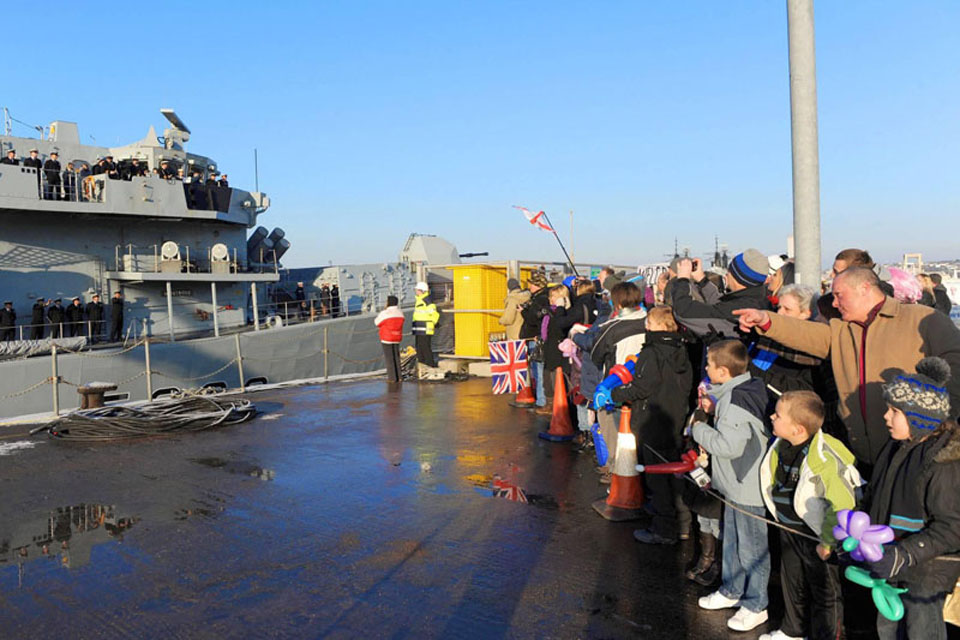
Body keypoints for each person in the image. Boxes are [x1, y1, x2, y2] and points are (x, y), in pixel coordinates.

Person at [735, 266, 960, 471]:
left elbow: (956, 368)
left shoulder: (923, 319)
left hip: (916, 453)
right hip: (860, 454)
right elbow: (806, 334)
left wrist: (939, 426)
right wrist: (766, 320)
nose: (833, 303)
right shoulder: (843, 331)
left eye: (838, 295)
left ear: (864, 289)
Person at [861, 357, 960, 640]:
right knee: (888, 628)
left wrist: (905, 554)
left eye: (894, 411)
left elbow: (952, 527)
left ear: (919, 418)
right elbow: (877, 496)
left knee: (921, 633)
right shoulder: (896, 447)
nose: (885, 417)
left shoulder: (945, 462)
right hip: (892, 563)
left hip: (927, 572)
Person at [759, 391, 861, 640]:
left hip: (816, 535)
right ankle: (793, 629)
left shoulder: (823, 458)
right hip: (789, 528)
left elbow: (842, 504)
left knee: (824, 590)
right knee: (792, 580)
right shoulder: (781, 445)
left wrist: (827, 541)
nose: (772, 416)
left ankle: (827, 635)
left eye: (778, 415)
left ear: (798, 429)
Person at [692, 339, 771, 632]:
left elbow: (729, 446)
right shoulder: (739, 391)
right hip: (737, 483)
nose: (706, 369)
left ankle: (755, 604)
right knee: (735, 542)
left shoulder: (734, 401)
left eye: (709, 365)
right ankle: (732, 590)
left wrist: (699, 428)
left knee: (751, 547)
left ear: (723, 371)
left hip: (746, 485)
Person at [611, 305, 694, 544]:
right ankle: (683, 524)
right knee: (675, 472)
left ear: (654, 325)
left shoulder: (652, 351)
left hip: (653, 419)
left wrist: (615, 394)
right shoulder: (681, 348)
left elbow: (642, 387)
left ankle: (664, 528)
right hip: (676, 416)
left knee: (657, 476)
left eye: (648, 322)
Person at [589, 282, 648, 480]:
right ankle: (634, 466)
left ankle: (616, 468)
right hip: (642, 382)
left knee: (612, 426)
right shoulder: (649, 321)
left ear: (617, 303)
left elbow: (596, 354)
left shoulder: (613, 328)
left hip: (614, 383)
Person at [672, 249, 771, 341]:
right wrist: (702, 280)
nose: (726, 275)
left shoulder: (739, 309)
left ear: (739, 278)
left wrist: (682, 280)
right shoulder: (757, 300)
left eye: (729, 271)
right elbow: (720, 307)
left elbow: (684, 312)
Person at [520, 271, 551, 407]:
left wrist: (523, 311)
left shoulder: (539, 299)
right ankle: (541, 399)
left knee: (538, 370)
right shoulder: (546, 297)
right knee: (539, 370)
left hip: (535, 337)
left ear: (537, 285)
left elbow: (532, 319)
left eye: (531, 284)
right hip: (539, 336)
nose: (529, 286)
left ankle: (541, 401)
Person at [375, 295, 404, 383]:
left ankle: (392, 378)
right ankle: (399, 377)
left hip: (387, 338)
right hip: (397, 336)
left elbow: (377, 322)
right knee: (396, 357)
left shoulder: (385, 313)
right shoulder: (400, 312)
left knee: (389, 358)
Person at [412, 281, 440, 369]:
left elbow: (434, 314)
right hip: (419, 329)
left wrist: (433, 323)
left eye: (417, 290)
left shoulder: (427, 301)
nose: (416, 291)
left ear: (422, 291)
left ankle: (430, 366)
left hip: (425, 328)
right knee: (419, 348)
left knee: (425, 348)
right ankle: (422, 366)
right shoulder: (419, 300)